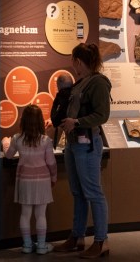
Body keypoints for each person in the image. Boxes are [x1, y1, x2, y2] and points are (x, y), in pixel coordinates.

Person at [54, 42, 112, 259]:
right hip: (74, 144)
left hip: (87, 145)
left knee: (94, 193)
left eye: (73, 61)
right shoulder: (82, 82)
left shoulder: (97, 83)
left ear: (78, 61)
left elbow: (102, 115)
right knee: (78, 193)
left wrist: (76, 122)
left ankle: (101, 241)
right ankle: (77, 237)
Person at [2, 104, 57, 255]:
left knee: (25, 214)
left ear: (23, 120)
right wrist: (54, 177)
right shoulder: (46, 141)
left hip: (24, 180)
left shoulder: (17, 139)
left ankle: (26, 245)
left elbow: (8, 155)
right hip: (43, 180)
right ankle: (41, 246)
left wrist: (5, 142)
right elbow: (51, 163)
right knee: (41, 214)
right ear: (40, 121)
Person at [50, 73, 74, 148]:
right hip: (83, 138)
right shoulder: (77, 94)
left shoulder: (60, 96)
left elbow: (55, 120)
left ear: (58, 86)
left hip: (71, 139)